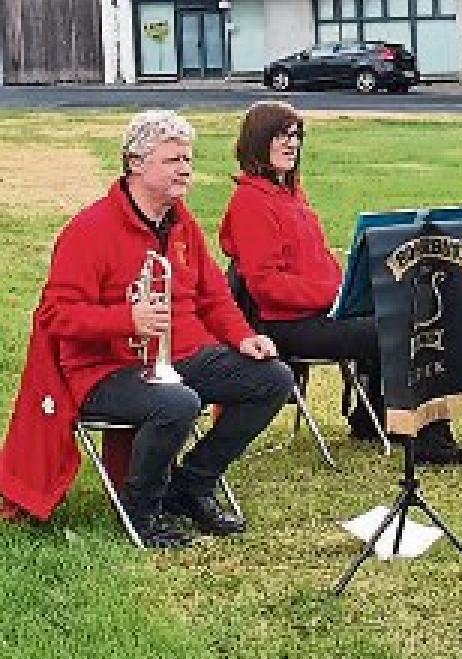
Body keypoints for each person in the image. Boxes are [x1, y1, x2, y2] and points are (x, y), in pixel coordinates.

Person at [0, 110, 294, 548]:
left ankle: (191, 486)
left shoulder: (180, 222)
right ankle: (142, 512)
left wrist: (242, 337)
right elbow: (56, 315)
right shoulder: (89, 230)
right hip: (106, 367)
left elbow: (214, 295)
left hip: (180, 354)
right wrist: (125, 320)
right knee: (177, 403)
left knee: (273, 379)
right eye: (173, 159)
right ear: (137, 164)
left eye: (188, 160)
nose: (186, 169)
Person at [218, 101, 462, 465]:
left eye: (295, 135)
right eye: (280, 136)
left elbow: (317, 261)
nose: (291, 144)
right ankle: (427, 439)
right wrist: (335, 295)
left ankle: (374, 417)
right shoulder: (251, 202)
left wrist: (350, 288)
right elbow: (266, 285)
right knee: (402, 329)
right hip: (284, 323)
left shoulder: (291, 194)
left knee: (411, 312)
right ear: (257, 141)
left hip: (321, 311)